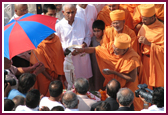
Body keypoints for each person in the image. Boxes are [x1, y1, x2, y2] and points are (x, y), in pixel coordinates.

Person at [72, 33, 144, 111]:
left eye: (117, 50)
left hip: (128, 86)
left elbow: (132, 78)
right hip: (115, 85)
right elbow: (96, 49)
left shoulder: (132, 57)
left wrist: (114, 72)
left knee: (129, 106)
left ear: (124, 50)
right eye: (114, 47)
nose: (114, 50)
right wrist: (82, 50)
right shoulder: (111, 46)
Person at [55, 4, 92, 80]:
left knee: (84, 82)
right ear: (63, 12)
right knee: (70, 82)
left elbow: (88, 36)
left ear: (76, 11)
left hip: (82, 55)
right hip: (68, 57)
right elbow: (57, 42)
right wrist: (67, 50)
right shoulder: (59, 25)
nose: (71, 15)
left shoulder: (82, 22)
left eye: (73, 12)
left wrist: (84, 44)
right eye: (68, 13)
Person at [137, 4, 164, 88]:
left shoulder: (162, 29)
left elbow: (164, 50)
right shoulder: (143, 27)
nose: (143, 21)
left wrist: (149, 44)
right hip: (145, 61)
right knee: (146, 86)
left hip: (157, 62)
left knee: (157, 88)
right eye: (142, 19)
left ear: (152, 18)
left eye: (145, 19)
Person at [89, 20, 105, 91]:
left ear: (103, 30)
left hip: (104, 63)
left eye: (98, 31)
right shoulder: (92, 39)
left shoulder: (106, 39)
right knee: (95, 79)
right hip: (94, 63)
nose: (96, 33)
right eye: (94, 31)